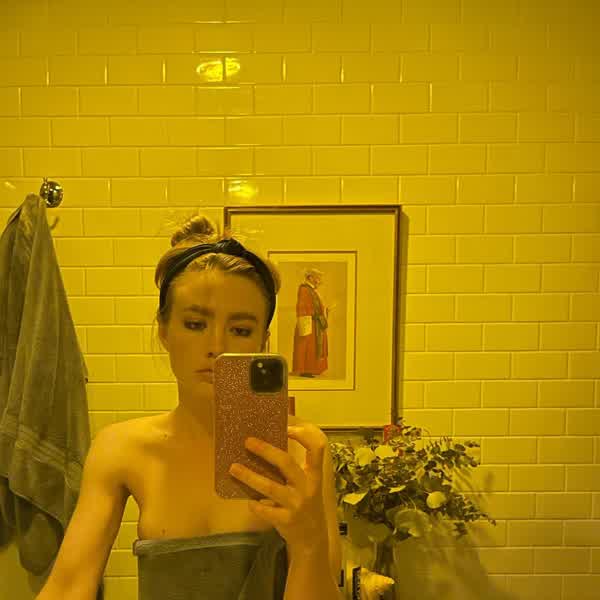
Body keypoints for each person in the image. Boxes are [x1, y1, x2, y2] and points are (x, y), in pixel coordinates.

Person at [35, 214, 341, 600]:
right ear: (164, 330)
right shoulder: (121, 448)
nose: (216, 346)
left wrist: (308, 543)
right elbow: (68, 587)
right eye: (195, 324)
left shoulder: (301, 450)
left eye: (241, 330)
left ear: (262, 341)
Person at [291, 268, 329, 377]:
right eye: (317, 278)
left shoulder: (312, 290)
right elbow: (302, 307)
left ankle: (312, 369)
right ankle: (305, 370)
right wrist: (314, 316)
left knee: (312, 347)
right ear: (310, 278)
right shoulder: (304, 289)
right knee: (307, 346)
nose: (319, 281)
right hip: (308, 322)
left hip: (314, 323)